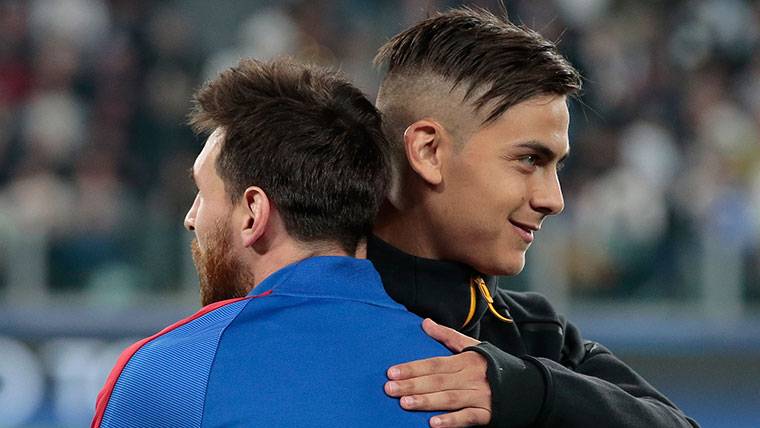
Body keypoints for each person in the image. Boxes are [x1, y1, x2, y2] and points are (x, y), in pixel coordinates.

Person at [369, 7, 699, 428]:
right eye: (528, 159)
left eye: (556, 167)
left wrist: (532, 392)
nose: (554, 200)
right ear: (428, 151)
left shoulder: (540, 337)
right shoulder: (294, 303)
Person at [91, 58, 450, 427]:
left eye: (202, 193)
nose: (191, 218)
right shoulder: (456, 382)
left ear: (253, 213)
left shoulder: (168, 375)